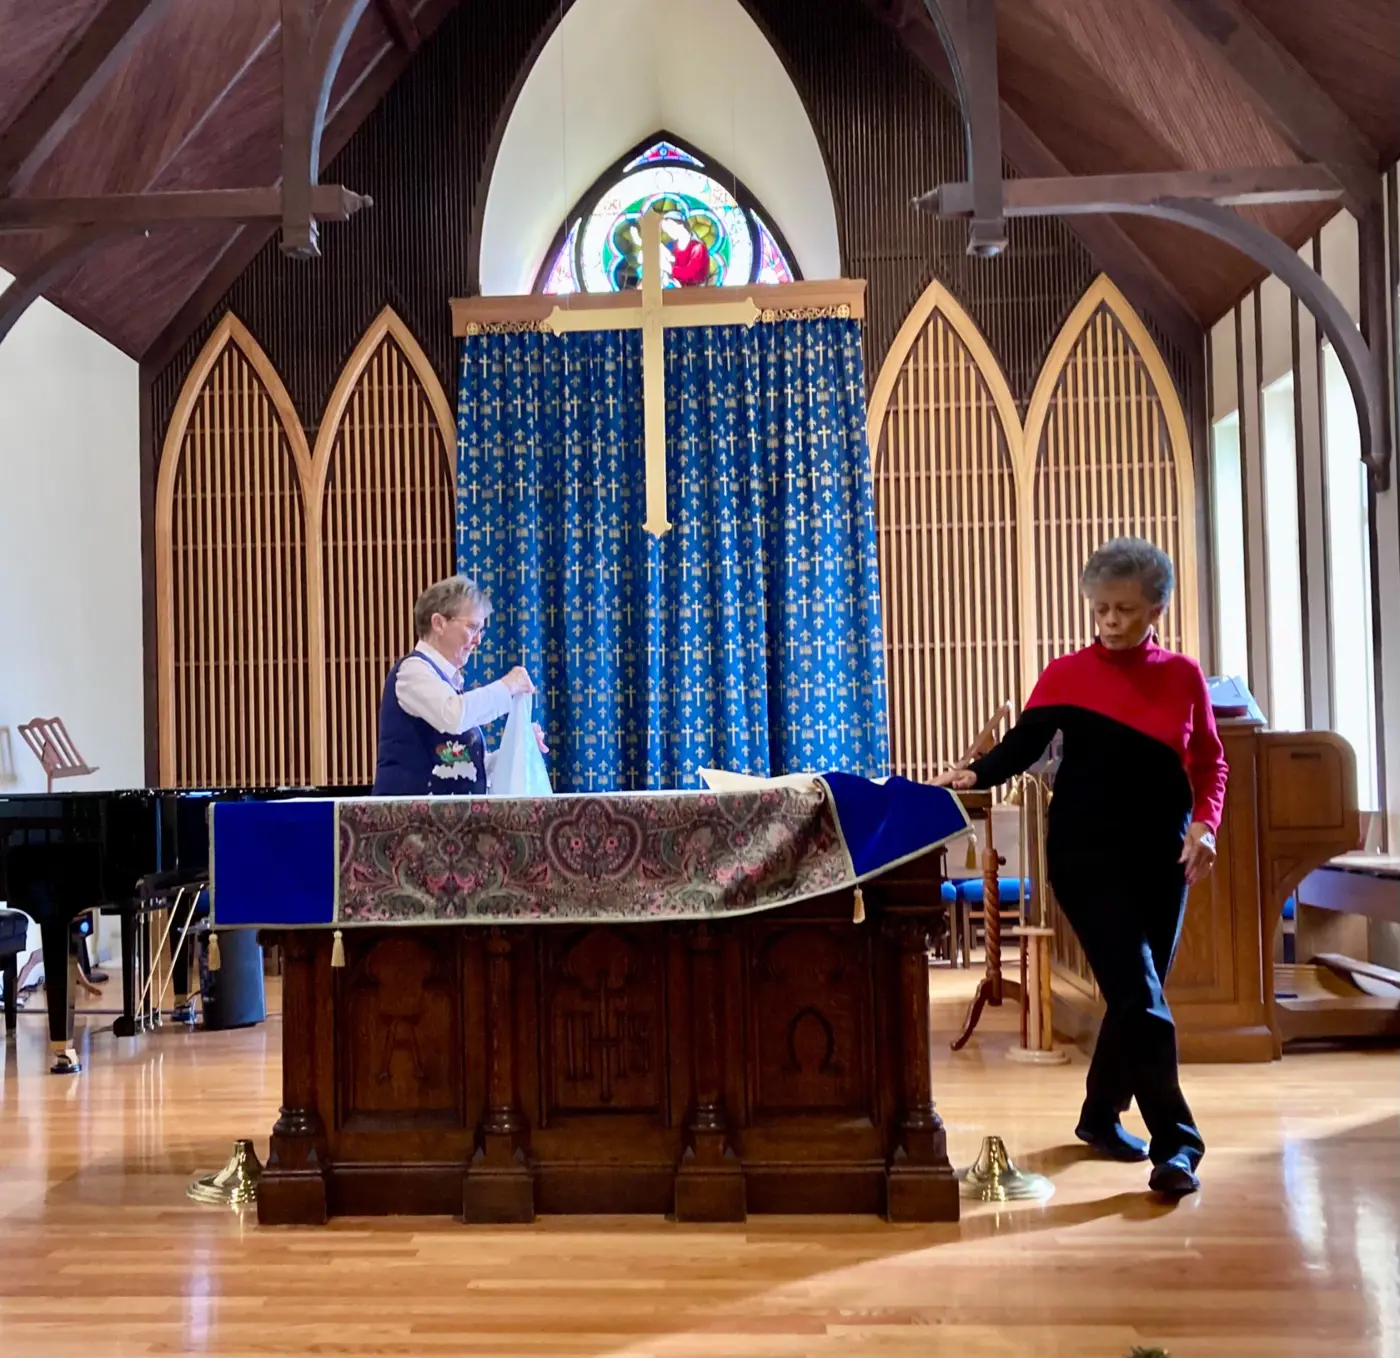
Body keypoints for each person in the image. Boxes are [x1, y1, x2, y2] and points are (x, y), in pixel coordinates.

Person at [936, 538, 1226, 1198]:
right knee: (1140, 993)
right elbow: (1021, 745)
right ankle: (1178, 1144)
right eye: (1100, 609)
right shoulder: (1066, 674)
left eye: (1125, 609)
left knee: (1137, 994)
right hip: (1084, 852)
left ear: (1157, 609)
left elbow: (1211, 762)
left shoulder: (1182, 676)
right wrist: (974, 773)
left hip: (1165, 855)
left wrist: (1206, 825)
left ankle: (1099, 1115)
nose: (1110, 622)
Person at [373, 575, 546, 797]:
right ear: (439, 623)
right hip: (410, 817)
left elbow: (469, 769)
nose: (478, 640)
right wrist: (508, 686)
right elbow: (454, 716)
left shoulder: (449, 686)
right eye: (472, 627)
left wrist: (519, 747)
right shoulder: (412, 671)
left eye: (481, 631)